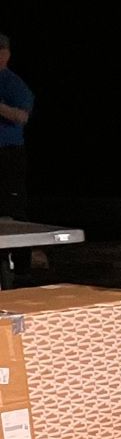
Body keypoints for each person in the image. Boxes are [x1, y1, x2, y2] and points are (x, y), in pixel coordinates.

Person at [0, 34, 34, 287]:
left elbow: (22, 116)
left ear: (6, 54)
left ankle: (22, 268)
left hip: (9, 152)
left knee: (14, 208)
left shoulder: (12, 83)